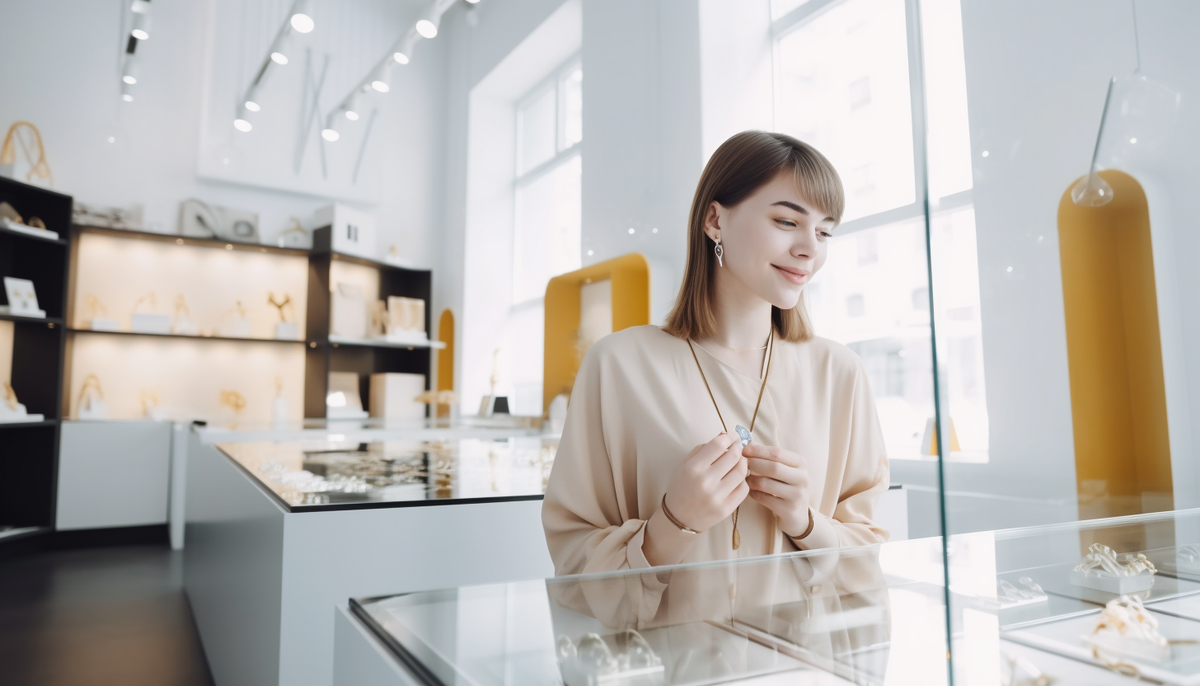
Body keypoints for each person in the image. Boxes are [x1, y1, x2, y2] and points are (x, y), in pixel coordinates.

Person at [542, 130, 889, 577]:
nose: (810, 249)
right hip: (667, 646)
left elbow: (867, 553)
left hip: (802, 647)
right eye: (787, 222)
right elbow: (573, 554)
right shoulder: (618, 365)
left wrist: (804, 521)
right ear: (714, 220)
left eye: (824, 231)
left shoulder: (840, 372)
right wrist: (672, 523)